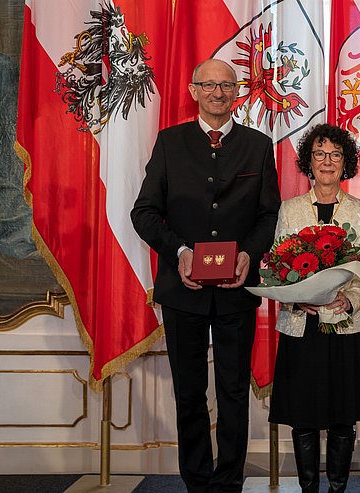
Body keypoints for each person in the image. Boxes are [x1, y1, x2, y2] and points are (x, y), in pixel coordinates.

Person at [131, 59, 280, 493]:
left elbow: (270, 214)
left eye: (226, 85)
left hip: (237, 290)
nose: (218, 92)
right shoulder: (170, 143)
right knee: (190, 392)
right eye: (209, 85)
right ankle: (197, 481)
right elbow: (143, 212)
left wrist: (249, 254)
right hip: (183, 290)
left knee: (234, 391)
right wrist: (178, 251)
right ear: (194, 90)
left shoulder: (257, 144)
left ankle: (229, 481)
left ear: (238, 92)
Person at [268, 123, 360, 493]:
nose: (327, 162)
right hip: (301, 326)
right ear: (308, 162)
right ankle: (307, 489)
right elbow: (274, 267)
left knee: (342, 417)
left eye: (335, 155)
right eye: (319, 154)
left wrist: (350, 299)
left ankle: (337, 488)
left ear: (346, 162)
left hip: (346, 324)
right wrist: (295, 295)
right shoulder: (290, 209)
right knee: (302, 416)